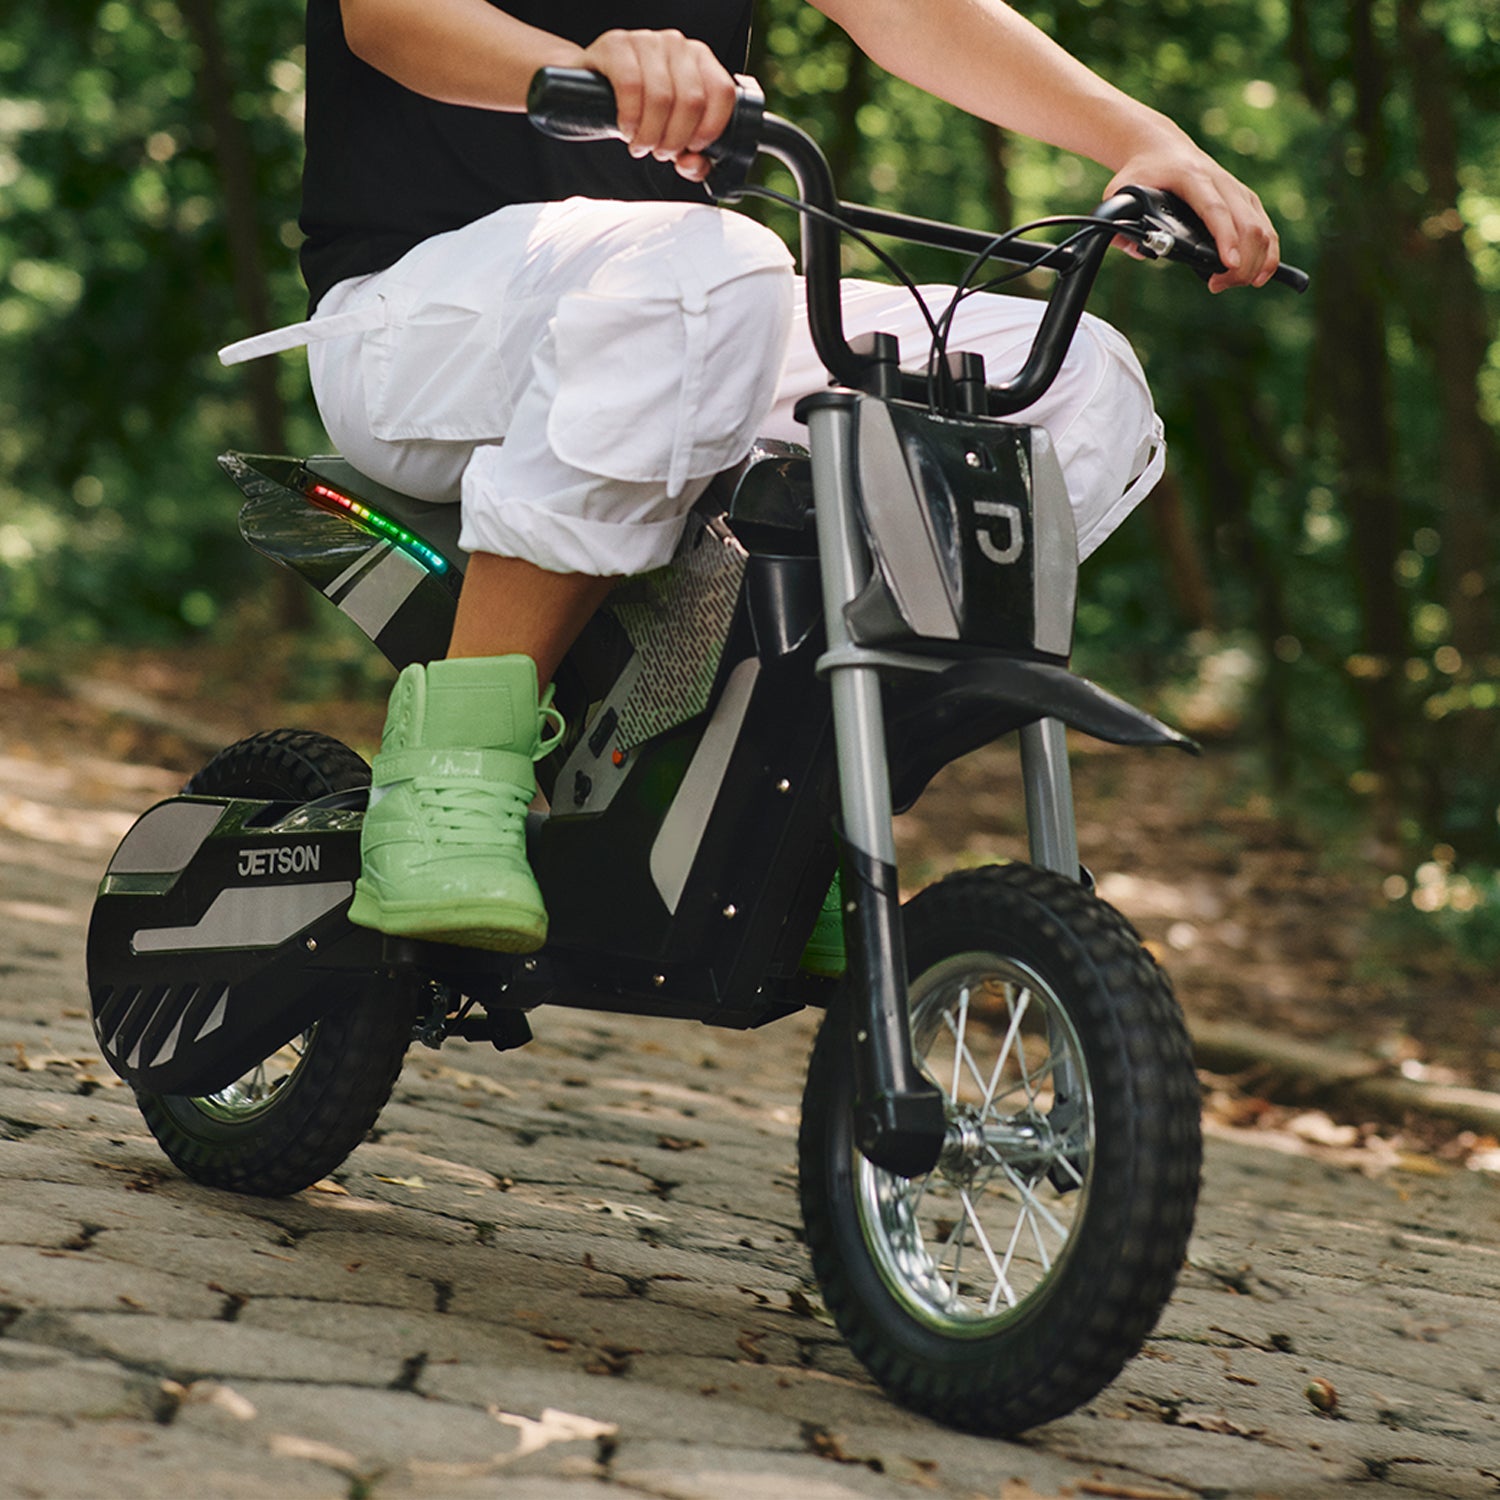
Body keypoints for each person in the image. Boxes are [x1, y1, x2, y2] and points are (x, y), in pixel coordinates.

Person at [226, 0, 1280, 955]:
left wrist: (1145, 138)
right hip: (417, 317)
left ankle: (785, 785)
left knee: (1077, 375)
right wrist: (590, 68)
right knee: (716, 265)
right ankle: (451, 774)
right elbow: (388, 19)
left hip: (686, 314)